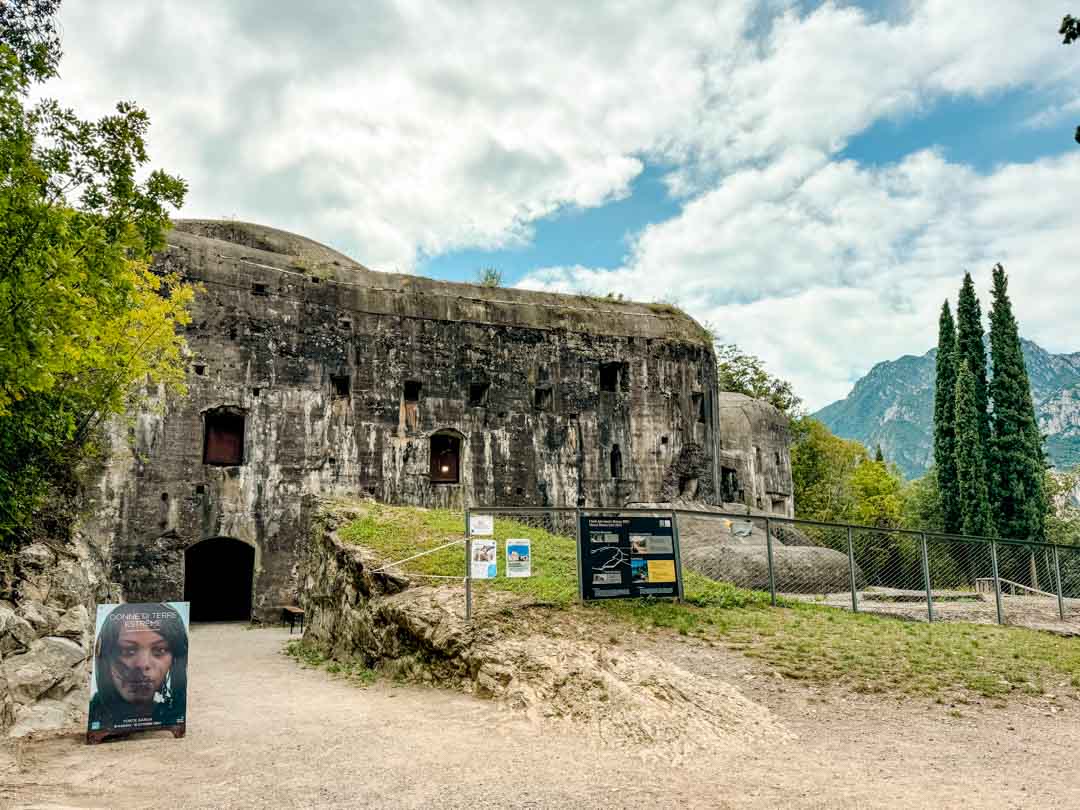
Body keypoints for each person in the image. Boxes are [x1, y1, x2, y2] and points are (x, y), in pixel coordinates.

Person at [88, 602, 188, 734]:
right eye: (127, 651)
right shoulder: (94, 717)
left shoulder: (173, 715)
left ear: (174, 659)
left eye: (160, 650)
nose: (142, 664)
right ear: (105, 656)